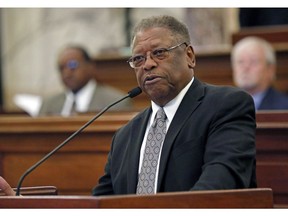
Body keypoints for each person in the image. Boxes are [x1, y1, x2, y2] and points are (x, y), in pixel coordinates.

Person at [0, 15, 256, 197]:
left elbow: (220, 188)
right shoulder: (126, 135)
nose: (148, 64)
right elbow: (99, 204)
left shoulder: (225, 106)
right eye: (138, 58)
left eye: (159, 53)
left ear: (189, 56)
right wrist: (23, 206)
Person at [38, 45, 132, 116]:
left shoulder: (115, 102)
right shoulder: (47, 105)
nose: (67, 73)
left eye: (72, 65)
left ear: (90, 66)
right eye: (61, 68)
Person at [231, 36, 288, 110]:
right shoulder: (223, 107)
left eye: (253, 61)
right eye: (240, 62)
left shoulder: (284, 108)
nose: (245, 67)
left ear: (270, 69)